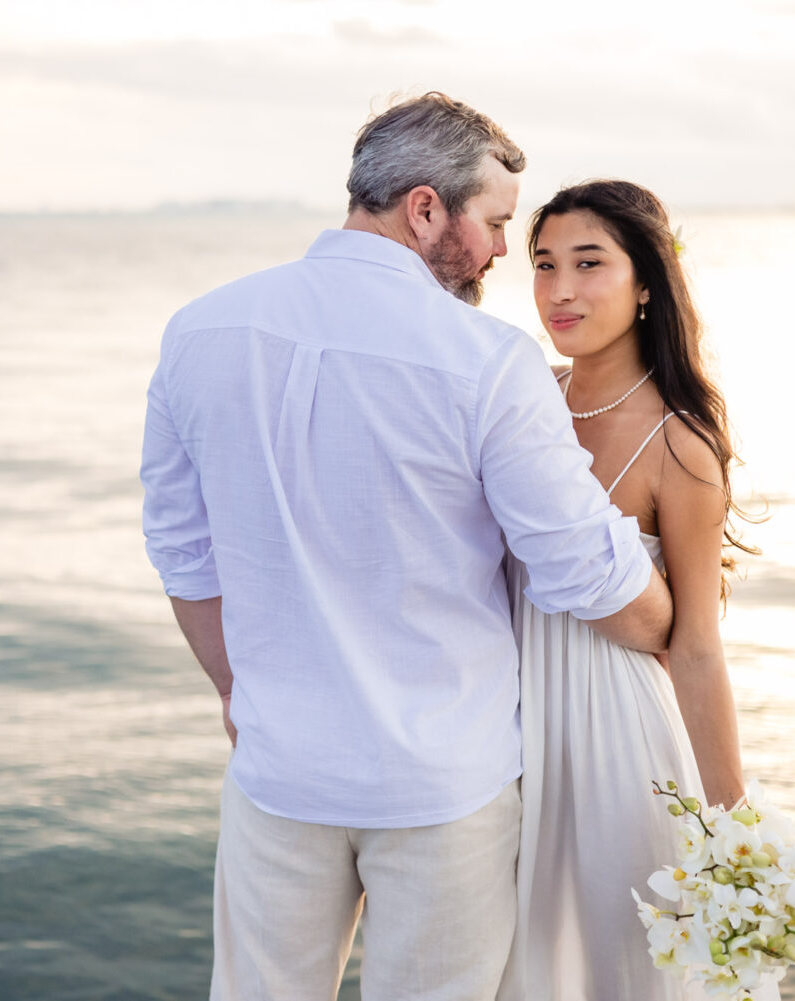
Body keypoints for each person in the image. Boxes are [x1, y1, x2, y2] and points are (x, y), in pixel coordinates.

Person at [140, 95, 674, 1001]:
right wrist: (677, 619)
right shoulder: (487, 361)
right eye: (497, 223)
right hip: (443, 788)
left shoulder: (200, 330)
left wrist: (237, 690)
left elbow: (183, 554)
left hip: (277, 771)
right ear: (426, 209)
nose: (506, 253)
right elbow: (586, 570)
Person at [497, 180, 773, 1001]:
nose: (561, 290)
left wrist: (731, 826)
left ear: (646, 280)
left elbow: (694, 646)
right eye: (544, 265)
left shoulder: (681, 442)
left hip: (618, 736)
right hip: (505, 726)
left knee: (627, 968)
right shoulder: (521, 399)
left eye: (589, 264)